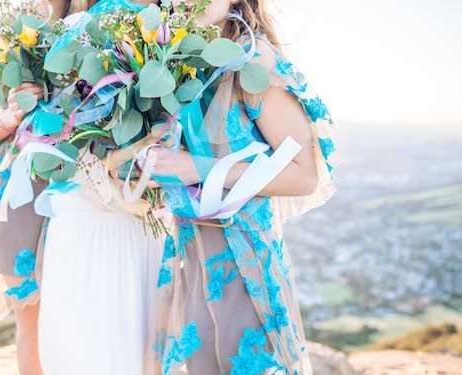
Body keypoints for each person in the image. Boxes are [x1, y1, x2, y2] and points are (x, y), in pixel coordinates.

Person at [147, 0, 340, 373]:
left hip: (245, 257)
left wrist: (201, 168)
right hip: (192, 251)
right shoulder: (172, 61)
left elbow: (304, 175)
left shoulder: (255, 61)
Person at [0, 2, 85, 374]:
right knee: (31, 323)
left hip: (81, 184)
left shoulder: (95, 15)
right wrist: (10, 118)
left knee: (83, 311)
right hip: (14, 190)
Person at [36, 0, 164, 374]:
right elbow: (54, 122)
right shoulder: (77, 29)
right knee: (89, 342)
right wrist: (98, 171)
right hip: (87, 211)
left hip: (142, 217)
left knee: (136, 342)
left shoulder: (168, 28)